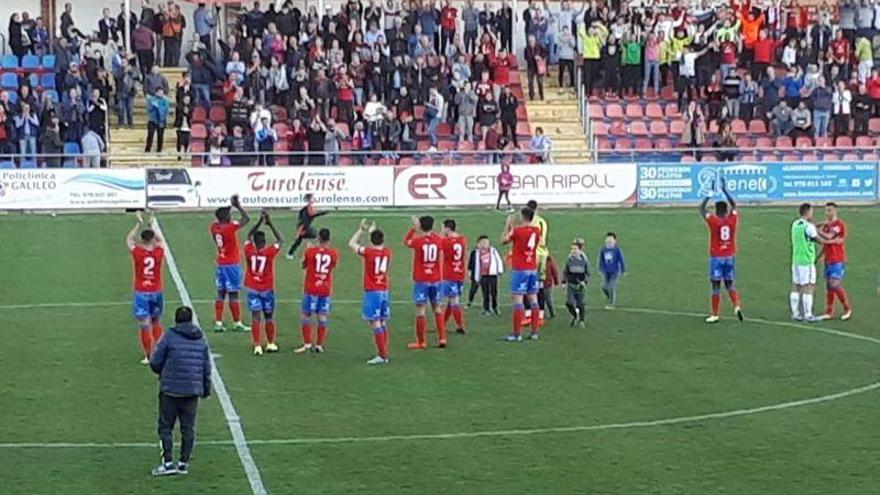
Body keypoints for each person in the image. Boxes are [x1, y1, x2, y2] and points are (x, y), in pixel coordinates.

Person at [149, 306, 211, 477]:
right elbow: (206, 367)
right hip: (192, 391)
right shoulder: (200, 339)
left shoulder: (169, 337)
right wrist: (205, 389)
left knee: (165, 427)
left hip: (170, 390)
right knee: (188, 428)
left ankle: (168, 462)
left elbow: (155, 361)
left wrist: (163, 372)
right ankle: (183, 463)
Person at [699, 178, 744, 323]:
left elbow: (701, 208)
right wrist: (725, 190)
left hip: (717, 257)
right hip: (729, 256)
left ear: (717, 211)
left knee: (716, 285)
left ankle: (715, 314)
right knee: (730, 284)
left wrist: (710, 193)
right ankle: (736, 306)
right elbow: (735, 205)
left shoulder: (714, 221)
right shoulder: (732, 220)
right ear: (726, 211)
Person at [348, 219, 392, 365]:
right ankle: (384, 352)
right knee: (382, 321)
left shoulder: (369, 253)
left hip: (373, 291)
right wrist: (373, 230)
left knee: (374, 322)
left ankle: (382, 355)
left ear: (371, 241)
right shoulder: (387, 252)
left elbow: (352, 244)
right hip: (384, 290)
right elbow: (378, 242)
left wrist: (361, 230)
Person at [127, 211, 165, 364]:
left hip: (142, 292)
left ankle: (148, 356)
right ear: (153, 240)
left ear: (142, 240)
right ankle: (161, 352)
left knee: (144, 324)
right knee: (156, 321)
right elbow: (161, 241)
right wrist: (152, 225)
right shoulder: (158, 252)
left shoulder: (138, 253)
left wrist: (138, 223)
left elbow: (129, 239)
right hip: (156, 291)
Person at [403, 215, 447, 349]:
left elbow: (406, 242)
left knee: (420, 310)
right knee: (437, 308)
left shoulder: (418, 241)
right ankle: (442, 338)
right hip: (435, 279)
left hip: (422, 280)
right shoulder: (438, 240)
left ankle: (421, 342)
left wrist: (413, 229)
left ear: (420, 226)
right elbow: (440, 241)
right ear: (432, 226)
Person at [244, 211, 283, 356]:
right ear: (264, 242)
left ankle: (257, 346)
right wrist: (270, 223)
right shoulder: (269, 252)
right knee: (268, 316)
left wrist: (259, 222)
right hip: (267, 289)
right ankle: (271, 343)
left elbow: (248, 235)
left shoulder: (248, 250)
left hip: (253, 288)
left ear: (254, 241)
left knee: (255, 317)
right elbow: (280, 240)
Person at [210, 195, 251, 333]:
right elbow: (246, 219)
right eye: (229, 213)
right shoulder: (229, 228)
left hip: (221, 263)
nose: (231, 214)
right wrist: (238, 206)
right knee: (233, 294)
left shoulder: (214, 227)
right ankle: (237, 322)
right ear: (225, 217)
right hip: (231, 264)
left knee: (221, 293)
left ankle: (218, 322)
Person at [295, 228, 340, 354]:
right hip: (325, 288)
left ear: (318, 238)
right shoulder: (333, 253)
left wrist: (307, 251)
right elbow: (332, 266)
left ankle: (307, 344)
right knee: (322, 316)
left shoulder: (310, 251)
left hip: (311, 288)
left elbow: (303, 265)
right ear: (329, 239)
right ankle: (319, 344)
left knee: (306, 315)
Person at [501, 207, 542, 341]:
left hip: (520, 268)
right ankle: (534, 332)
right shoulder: (537, 230)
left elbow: (504, 240)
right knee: (533, 299)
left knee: (518, 300)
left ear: (523, 216)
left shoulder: (518, 231)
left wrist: (508, 225)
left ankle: (517, 334)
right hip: (532, 268)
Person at [790, 203, 834, 322]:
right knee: (809, 286)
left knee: (796, 286)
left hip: (796, 260)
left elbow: (811, 228)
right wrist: (832, 241)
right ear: (808, 212)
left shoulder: (795, 224)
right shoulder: (809, 227)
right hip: (807, 261)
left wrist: (819, 224)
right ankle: (808, 315)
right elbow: (819, 240)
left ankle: (795, 313)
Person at [818, 203, 852, 320]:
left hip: (837, 259)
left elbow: (828, 237)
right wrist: (818, 257)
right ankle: (829, 311)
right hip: (828, 259)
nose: (827, 213)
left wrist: (815, 230)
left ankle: (847, 308)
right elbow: (825, 245)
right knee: (829, 286)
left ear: (835, 211)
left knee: (835, 284)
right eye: (826, 211)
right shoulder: (827, 226)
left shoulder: (839, 225)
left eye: (829, 210)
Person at [440, 219, 468, 335]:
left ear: (447, 228)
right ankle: (442, 323)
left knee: (454, 301)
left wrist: (442, 234)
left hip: (450, 274)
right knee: (452, 300)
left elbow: (438, 245)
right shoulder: (462, 240)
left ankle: (460, 325)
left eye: (442, 227)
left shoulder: (445, 241)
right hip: (460, 273)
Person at [287, 193, 328, 258]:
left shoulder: (309, 207)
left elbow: (313, 214)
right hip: (303, 227)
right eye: (312, 198)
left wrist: (322, 213)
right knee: (315, 234)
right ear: (309, 199)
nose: (313, 199)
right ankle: (312, 248)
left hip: (305, 227)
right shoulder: (306, 209)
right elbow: (305, 220)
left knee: (299, 241)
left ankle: (290, 253)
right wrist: (300, 231)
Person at [563, 237, 590, 327]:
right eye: (572, 249)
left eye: (575, 249)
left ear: (580, 250)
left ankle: (581, 320)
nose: (573, 251)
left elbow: (588, 273)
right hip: (571, 285)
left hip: (580, 286)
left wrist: (584, 282)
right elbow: (565, 272)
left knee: (581, 303)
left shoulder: (584, 260)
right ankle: (574, 315)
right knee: (569, 303)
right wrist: (563, 282)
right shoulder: (569, 260)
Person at [598, 232, 626, 309]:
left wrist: (623, 270)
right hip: (606, 271)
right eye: (607, 239)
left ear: (614, 241)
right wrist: (600, 268)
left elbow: (621, 259)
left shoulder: (617, 249)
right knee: (604, 287)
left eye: (611, 239)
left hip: (615, 271)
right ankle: (609, 296)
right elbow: (601, 260)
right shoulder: (603, 249)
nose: (609, 241)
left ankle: (611, 303)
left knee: (611, 286)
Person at [145, 87, 170, 152]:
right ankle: (147, 149)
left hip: (161, 120)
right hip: (152, 120)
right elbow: (149, 109)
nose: (161, 94)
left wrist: (159, 107)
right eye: (159, 92)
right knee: (150, 135)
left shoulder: (165, 100)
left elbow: (166, 110)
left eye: (162, 92)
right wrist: (153, 106)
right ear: (156, 93)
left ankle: (159, 149)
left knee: (160, 136)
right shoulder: (151, 100)